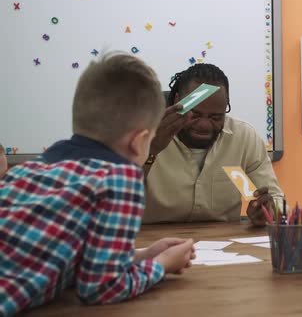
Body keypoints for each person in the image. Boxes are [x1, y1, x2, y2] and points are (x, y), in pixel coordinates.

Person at [0, 53, 195, 316]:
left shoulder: (23, 171)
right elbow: (101, 288)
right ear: (140, 141)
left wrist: (143, 255)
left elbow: (64, 257)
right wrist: (160, 265)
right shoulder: (119, 178)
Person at [142, 63, 283, 226]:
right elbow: (115, 196)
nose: (204, 125)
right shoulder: (146, 133)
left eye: (216, 117)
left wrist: (268, 211)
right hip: (153, 242)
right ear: (176, 101)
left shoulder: (244, 138)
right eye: (194, 114)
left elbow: (277, 201)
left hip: (224, 245)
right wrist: (151, 150)